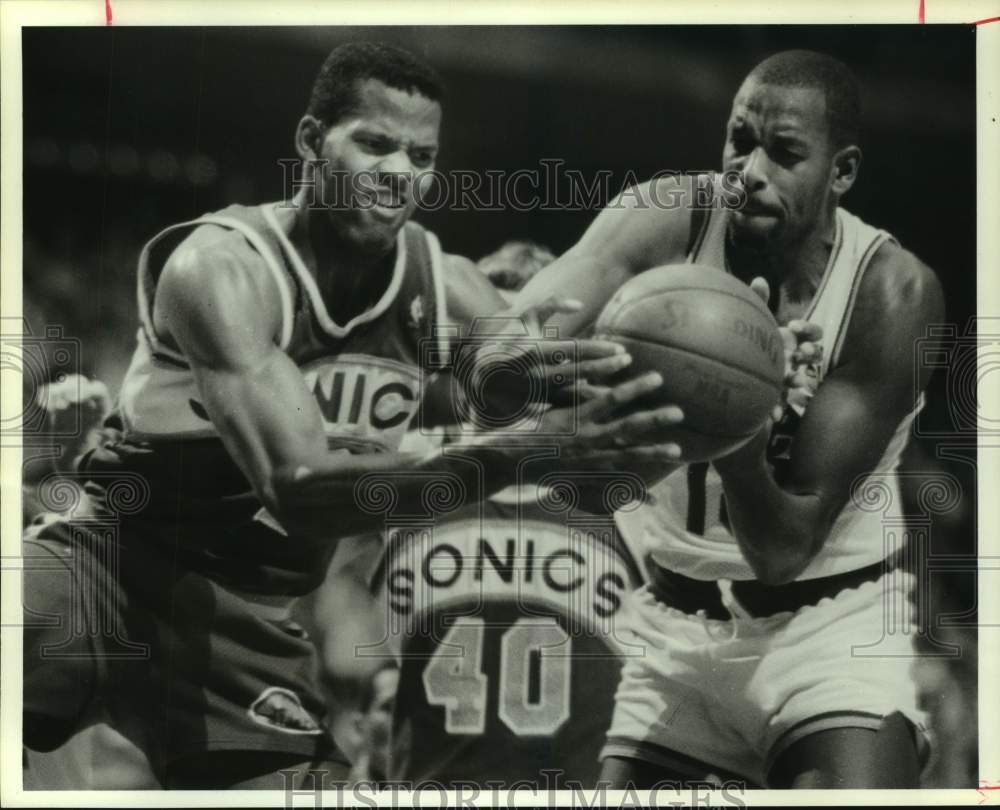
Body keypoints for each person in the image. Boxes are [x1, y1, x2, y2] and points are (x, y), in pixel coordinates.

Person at [21, 42, 684, 789]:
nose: (399, 172)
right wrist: (516, 454)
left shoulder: (448, 288)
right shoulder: (221, 268)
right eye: (374, 144)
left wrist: (746, 380)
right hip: (104, 568)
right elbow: (298, 489)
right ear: (310, 142)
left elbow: (585, 401)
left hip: (245, 629)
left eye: (420, 155)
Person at [509, 49, 944, 788]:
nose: (751, 170)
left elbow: (783, 548)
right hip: (672, 631)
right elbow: (505, 347)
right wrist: (567, 373)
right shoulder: (667, 216)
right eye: (739, 140)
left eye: (784, 153)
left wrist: (737, 410)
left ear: (840, 172)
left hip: (825, 633)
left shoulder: (891, 294)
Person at [310, 240, 658, 789]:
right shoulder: (414, 458)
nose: (517, 356)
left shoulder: (628, 470)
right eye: (496, 332)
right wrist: (373, 676)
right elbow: (340, 595)